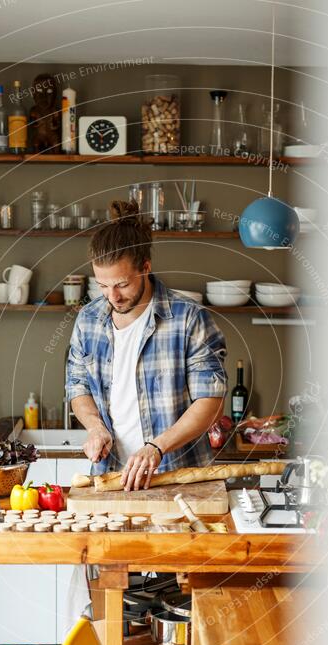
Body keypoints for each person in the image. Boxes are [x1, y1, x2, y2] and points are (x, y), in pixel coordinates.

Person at [66, 199, 228, 491]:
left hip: (178, 476)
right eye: (102, 286)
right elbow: (78, 387)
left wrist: (156, 447)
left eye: (122, 284)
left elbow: (211, 402)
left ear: (145, 268)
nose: (112, 296)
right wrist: (95, 427)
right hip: (111, 476)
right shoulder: (88, 320)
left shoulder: (189, 318)